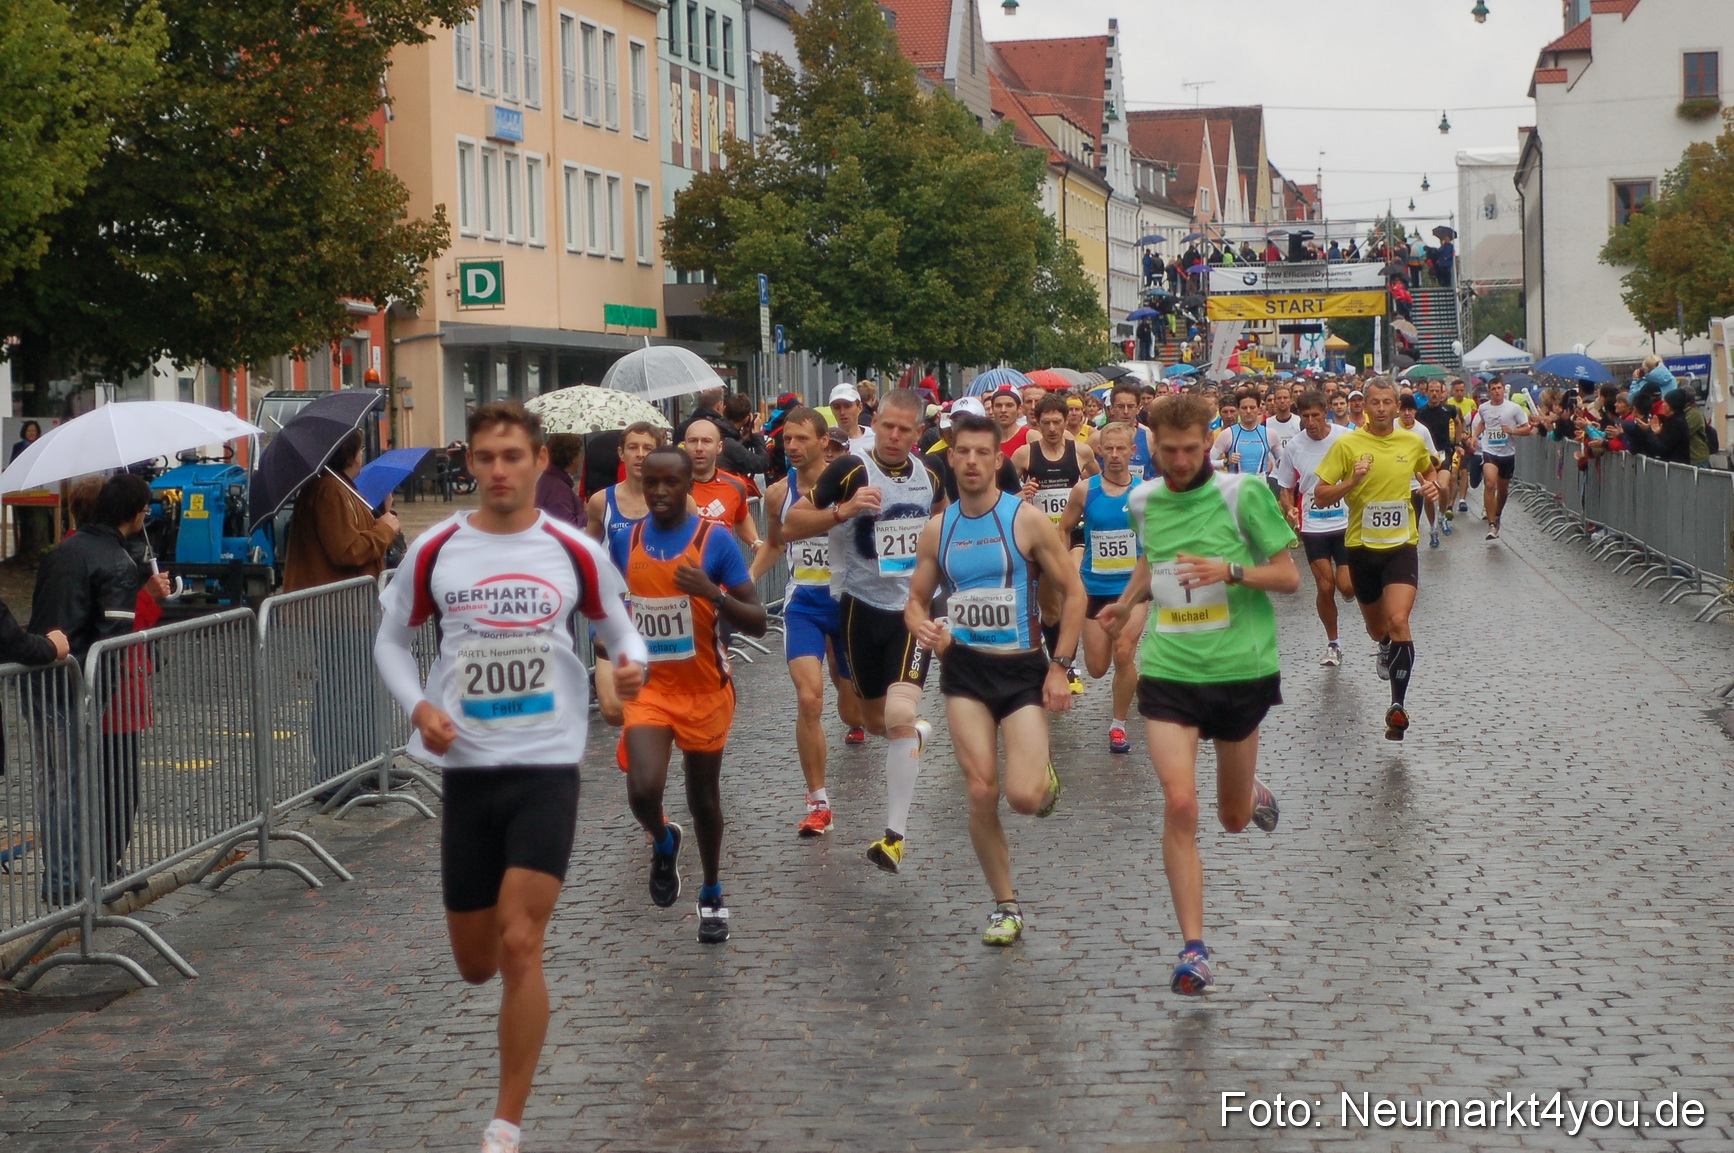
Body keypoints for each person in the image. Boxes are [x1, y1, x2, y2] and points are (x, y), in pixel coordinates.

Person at [376, 401, 648, 1153]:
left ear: (537, 462)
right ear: (472, 464)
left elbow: (623, 632)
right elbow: (390, 643)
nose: (499, 469)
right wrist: (420, 704)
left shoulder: (572, 549)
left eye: (513, 456)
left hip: (546, 764)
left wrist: (631, 668)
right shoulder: (436, 549)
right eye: (487, 457)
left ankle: (505, 1124)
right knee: (475, 962)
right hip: (468, 768)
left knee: (522, 940)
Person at [1096, 394, 1299, 995]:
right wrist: (1127, 603)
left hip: (1240, 671)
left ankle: (1249, 791)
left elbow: (1288, 576)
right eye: (1169, 450)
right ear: (1151, 446)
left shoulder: (1243, 495)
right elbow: (1150, 563)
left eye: (1192, 449)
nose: (1181, 460)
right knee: (1180, 804)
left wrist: (1229, 570)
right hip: (1170, 672)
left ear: (1208, 441)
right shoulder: (1141, 501)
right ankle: (1194, 949)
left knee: (1232, 819)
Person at [905, 412, 1080, 945]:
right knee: (981, 790)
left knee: (1023, 798)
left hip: (1023, 671)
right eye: (964, 453)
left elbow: (1075, 594)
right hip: (965, 672)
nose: (974, 461)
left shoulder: (1024, 519)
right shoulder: (940, 527)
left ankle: (1042, 779)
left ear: (998, 459)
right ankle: (1005, 906)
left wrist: (1060, 667)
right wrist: (924, 629)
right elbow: (914, 601)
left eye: (984, 453)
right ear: (951, 457)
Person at [783, 389, 945, 874]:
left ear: (918, 434)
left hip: (913, 612)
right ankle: (911, 735)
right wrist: (844, 510)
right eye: (887, 427)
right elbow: (791, 524)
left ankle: (894, 836)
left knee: (897, 713)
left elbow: (944, 521)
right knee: (871, 721)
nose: (894, 437)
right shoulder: (850, 469)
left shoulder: (932, 475)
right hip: (858, 608)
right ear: (876, 425)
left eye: (904, 430)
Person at [613, 446, 765, 945]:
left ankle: (712, 893)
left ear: (687, 487)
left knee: (704, 800)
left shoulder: (712, 540)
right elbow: (620, 608)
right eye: (650, 482)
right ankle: (662, 840)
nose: (658, 492)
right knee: (642, 790)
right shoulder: (629, 538)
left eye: (670, 483)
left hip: (704, 690)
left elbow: (759, 621)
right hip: (652, 690)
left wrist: (713, 592)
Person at [29, 474, 168, 905]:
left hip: (42, 679)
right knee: (76, 788)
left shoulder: (65, 550)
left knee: (57, 788)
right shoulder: (117, 562)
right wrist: (97, 695)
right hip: (77, 685)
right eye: (145, 510)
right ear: (133, 513)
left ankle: (65, 880)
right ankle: (74, 885)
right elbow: (111, 640)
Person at [750, 407, 865, 837]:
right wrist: (745, 581)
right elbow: (776, 545)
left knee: (853, 709)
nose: (793, 447)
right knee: (809, 698)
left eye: (801, 439)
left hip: (850, 604)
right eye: (786, 441)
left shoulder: (851, 483)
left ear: (823, 442)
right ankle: (819, 801)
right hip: (804, 605)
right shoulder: (778, 494)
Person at [1311, 379, 1438, 741]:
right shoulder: (1347, 444)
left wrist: (1432, 484)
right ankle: (1383, 646)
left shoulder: (1411, 442)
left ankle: (1397, 707)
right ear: (1363, 407)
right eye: (1374, 402)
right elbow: (1320, 495)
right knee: (1377, 629)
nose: (1381, 408)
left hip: (1401, 546)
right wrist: (1351, 481)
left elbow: (1430, 470)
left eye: (1388, 402)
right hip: (1362, 548)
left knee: (1399, 620)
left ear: (1398, 407)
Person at [585, 422, 688, 726]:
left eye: (648, 448)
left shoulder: (682, 501)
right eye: (633, 447)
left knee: (668, 696)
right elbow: (585, 552)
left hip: (664, 610)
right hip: (614, 608)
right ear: (621, 453)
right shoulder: (601, 502)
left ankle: (651, 745)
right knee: (614, 709)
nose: (640, 455)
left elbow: (697, 549)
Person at [1058, 421, 1146, 753]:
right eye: (1107, 448)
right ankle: (1129, 676)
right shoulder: (1085, 490)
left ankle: (1119, 725)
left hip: (1132, 587)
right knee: (1096, 668)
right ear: (1099, 450)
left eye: (1121, 448)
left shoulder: (1144, 491)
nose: (1114, 454)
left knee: (1124, 652)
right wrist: (1067, 569)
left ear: (1132, 451)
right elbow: (1064, 529)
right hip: (1093, 585)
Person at [1012, 396, 1097, 691]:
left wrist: (1085, 497)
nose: (1051, 428)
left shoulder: (1081, 452)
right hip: (1041, 539)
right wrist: (1020, 492)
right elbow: (1002, 496)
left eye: (1056, 422)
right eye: (1045, 422)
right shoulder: (1024, 456)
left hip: (1073, 533)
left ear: (1067, 421)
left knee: (1072, 587)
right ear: (1037, 422)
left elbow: (1101, 486)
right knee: (1049, 610)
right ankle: (1054, 660)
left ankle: (1069, 665)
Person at [1273, 390, 1353, 667]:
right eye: (1305, 416)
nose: (1310, 422)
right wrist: (1289, 508)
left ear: (1326, 412)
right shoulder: (1294, 446)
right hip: (1313, 525)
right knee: (1325, 586)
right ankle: (1333, 643)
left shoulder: (1344, 437)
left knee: (1347, 587)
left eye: (1315, 416)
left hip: (1344, 522)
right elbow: (1286, 487)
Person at [1468, 377, 1533, 540]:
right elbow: (1483, 422)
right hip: (1489, 450)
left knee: (1503, 491)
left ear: (1504, 389)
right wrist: (1475, 436)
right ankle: (1491, 525)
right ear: (1489, 392)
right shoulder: (1483, 408)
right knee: (1490, 483)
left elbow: (1527, 429)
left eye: (1499, 388)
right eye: (1493, 389)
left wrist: (1512, 431)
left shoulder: (1514, 408)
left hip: (1507, 453)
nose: (1497, 391)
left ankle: (1497, 515)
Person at [682, 418, 759, 549]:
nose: (699, 448)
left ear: (719, 447)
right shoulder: (671, 486)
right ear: (684, 446)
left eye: (706, 441)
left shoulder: (736, 485)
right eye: (693, 441)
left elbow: (742, 517)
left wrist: (756, 542)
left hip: (718, 566)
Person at [1397, 394, 1444, 548]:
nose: (1407, 413)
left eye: (1410, 409)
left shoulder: (1422, 430)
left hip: (1415, 486)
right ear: (1398, 410)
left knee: (1413, 524)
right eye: (1403, 409)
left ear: (1415, 411)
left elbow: (1434, 455)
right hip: (1396, 485)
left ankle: (1410, 553)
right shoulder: (1391, 427)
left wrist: (1426, 462)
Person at [1413, 380, 1459, 537]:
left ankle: (1442, 515)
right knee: (1429, 493)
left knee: (1443, 487)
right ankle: (1432, 526)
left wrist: (1457, 443)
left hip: (1443, 454)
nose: (1434, 394)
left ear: (1442, 393)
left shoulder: (1449, 409)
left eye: (1437, 391)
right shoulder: (1420, 412)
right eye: (1431, 391)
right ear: (1426, 392)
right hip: (1427, 457)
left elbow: (1459, 422)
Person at [1090, 383, 1157, 481]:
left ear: (1138, 408)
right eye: (1120, 406)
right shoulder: (1096, 438)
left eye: (1130, 406)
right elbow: (1084, 474)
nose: (1126, 411)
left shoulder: (1150, 437)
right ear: (1112, 409)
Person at [1210, 388, 1277, 477]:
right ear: (1238, 410)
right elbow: (1207, 463)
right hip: (1236, 487)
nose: (1248, 411)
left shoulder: (1270, 434)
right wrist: (1226, 462)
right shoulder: (1227, 434)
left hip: (1261, 487)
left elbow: (1284, 462)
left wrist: (1271, 465)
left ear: (1259, 409)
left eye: (1252, 407)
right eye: (1244, 408)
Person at [534, 434, 586, 528]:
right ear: (573, 459)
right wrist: (587, 514)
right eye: (579, 454)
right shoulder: (558, 489)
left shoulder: (550, 480)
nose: (580, 458)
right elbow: (567, 526)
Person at [828, 383, 876, 455]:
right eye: (836, 407)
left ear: (860, 407)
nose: (842, 412)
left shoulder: (874, 439)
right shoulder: (825, 439)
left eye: (847, 406)